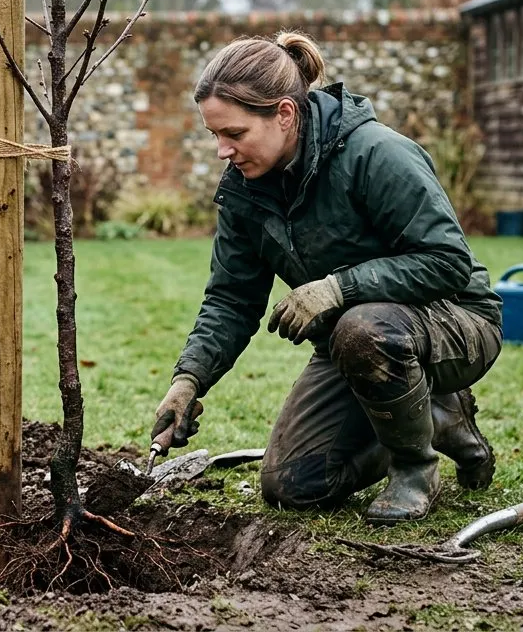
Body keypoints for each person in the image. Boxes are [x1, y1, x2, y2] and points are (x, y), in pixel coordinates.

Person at [149, 32, 503, 523]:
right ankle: (437, 417)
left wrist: (337, 288)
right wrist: (189, 380)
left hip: (456, 322)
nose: (222, 151)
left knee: (364, 328)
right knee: (291, 486)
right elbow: (232, 298)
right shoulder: (246, 191)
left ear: (284, 115)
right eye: (215, 135)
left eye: (234, 134)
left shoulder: (376, 154)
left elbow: (446, 262)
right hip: (356, 342)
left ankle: (415, 467)